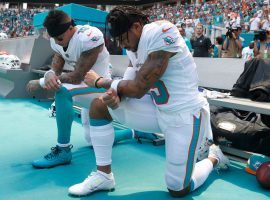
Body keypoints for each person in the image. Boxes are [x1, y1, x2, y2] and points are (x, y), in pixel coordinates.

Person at [68, 6, 230, 197]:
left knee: (178, 189)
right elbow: (127, 84)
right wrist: (115, 96)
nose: (122, 44)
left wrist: (100, 81)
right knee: (99, 106)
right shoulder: (134, 45)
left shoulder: (160, 32)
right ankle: (104, 176)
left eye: (123, 38)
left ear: (137, 26)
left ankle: (213, 158)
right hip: (156, 110)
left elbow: (138, 88)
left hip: (184, 116)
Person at [26, 10, 111, 168]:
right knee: (92, 139)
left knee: (63, 90)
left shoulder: (90, 37)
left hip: (101, 87)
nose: (57, 42)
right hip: (84, 90)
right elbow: (59, 59)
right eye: (54, 39)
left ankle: (63, 150)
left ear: (71, 28)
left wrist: (42, 82)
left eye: (60, 38)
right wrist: (51, 73)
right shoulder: (58, 40)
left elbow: (78, 76)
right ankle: (134, 132)